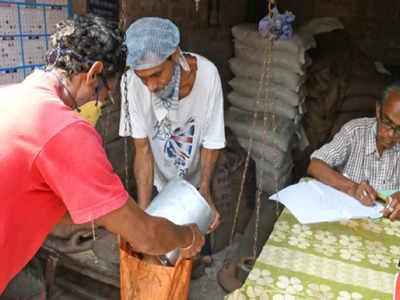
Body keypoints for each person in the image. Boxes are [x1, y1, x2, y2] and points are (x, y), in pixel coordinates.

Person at [0, 15, 205, 295]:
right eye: (107, 91)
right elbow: (146, 237)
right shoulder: (65, 130)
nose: (102, 101)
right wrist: (187, 235)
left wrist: (108, 213)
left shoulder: (8, 95)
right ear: (94, 72)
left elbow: (30, 199)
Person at [119, 17, 226, 233]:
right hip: (159, 181)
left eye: (156, 74)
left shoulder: (208, 75)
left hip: (196, 183)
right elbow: (143, 150)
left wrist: (204, 189)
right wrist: (144, 211)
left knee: (194, 242)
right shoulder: (130, 82)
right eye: (143, 78)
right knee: (159, 239)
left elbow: (212, 141)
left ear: (175, 55)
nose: (150, 86)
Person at [308, 82, 400, 220]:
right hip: (347, 223)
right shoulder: (354, 132)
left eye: (399, 129)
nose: (391, 134)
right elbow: (315, 166)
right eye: (387, 123)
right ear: (378, 110)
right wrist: (353, 188)